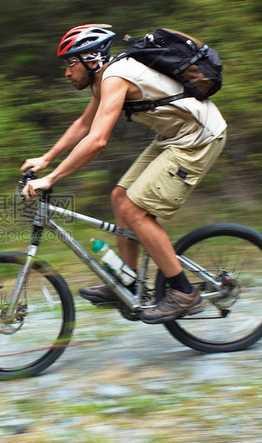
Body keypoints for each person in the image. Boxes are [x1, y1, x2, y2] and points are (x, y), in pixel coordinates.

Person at [21, 24, 227, 323]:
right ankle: (127, 281)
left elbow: (97, 140)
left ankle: (184, 293)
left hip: (199, 138)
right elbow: (83, 124)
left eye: (70, 64)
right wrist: (46, 158)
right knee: (119, 197)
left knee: (134, 210)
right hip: (175, 138)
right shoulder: (104, 79)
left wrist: (52, 179)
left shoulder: (117, 77)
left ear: (91, 60)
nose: (67, 73)